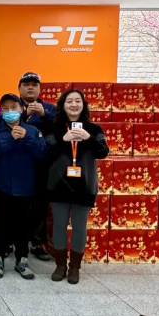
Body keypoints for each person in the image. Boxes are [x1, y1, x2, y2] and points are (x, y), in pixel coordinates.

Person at [45, 89, 109, 284]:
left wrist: (88, 138)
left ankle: (74, 267)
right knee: (59, 226)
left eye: (77, 101)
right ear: (63, 106)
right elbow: (47, 153)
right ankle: (60, 265)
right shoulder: (54, 128)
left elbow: (103, 152)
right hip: (59, 185)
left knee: (80, 227)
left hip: (85, 185)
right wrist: (64, 140)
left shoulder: (94, 129)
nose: (73, 104)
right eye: (69, 101)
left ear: (83, 105)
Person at [0, 93, 46, 280]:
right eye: (5, 108)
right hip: (1, 185)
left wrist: (26, 138)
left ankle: (22, 258)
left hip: (25, 186)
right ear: (0, 111)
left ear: (21, 109)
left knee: (23, 225)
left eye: (13, 107)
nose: (10, 111)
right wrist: (10, 139)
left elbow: (41, 153)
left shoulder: (32, 130)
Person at [18, 71, 56, 262]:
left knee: (40, 205)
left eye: (34, 84)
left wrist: (44, 114)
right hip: (18, 163)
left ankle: (36, 242)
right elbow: (3, 125)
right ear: (19, 88)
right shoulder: (12, 105)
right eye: (26, 84)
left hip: (43, 165)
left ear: (40, 88)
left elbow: (63, 128)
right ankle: (12, 241)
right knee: (16, 204)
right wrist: (24, 115)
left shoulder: (50, 108)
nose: (30, 88)